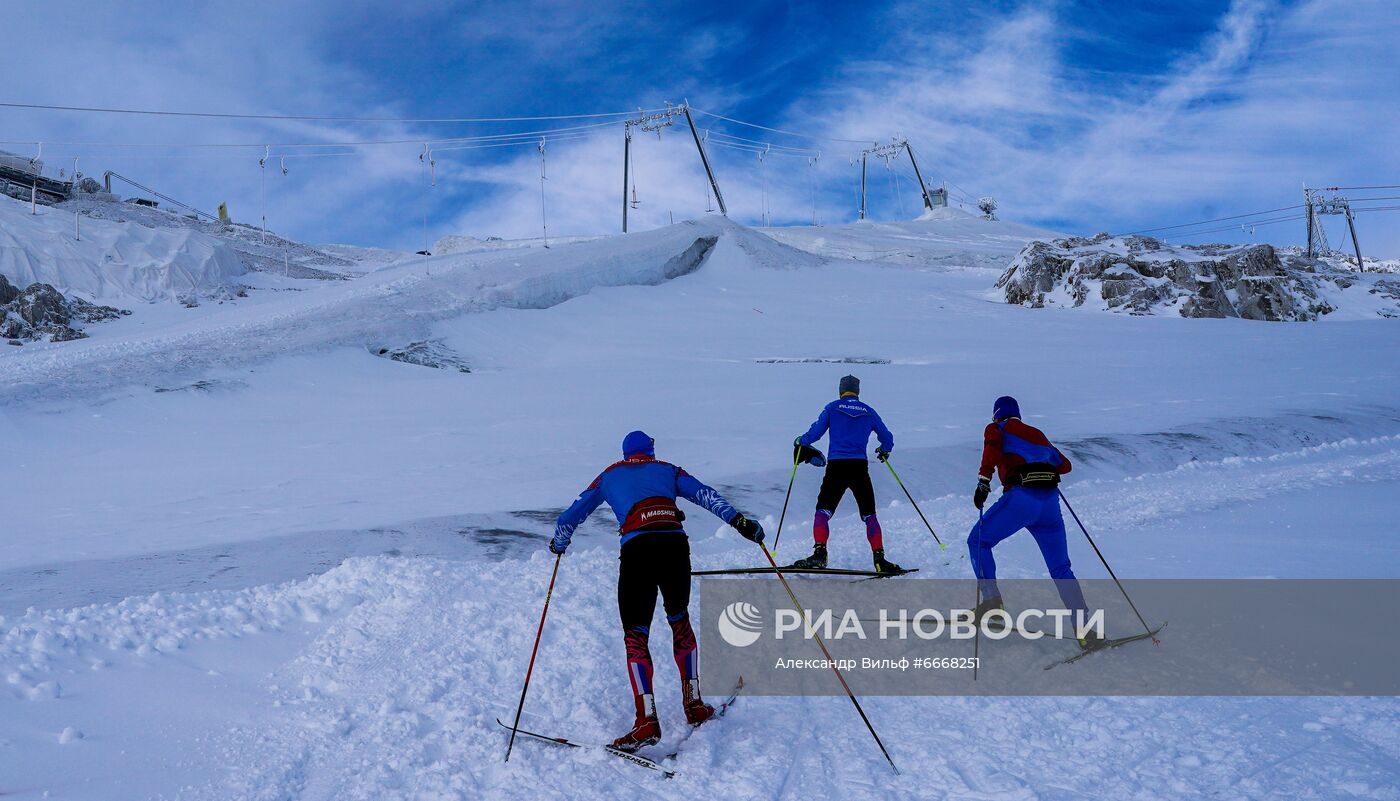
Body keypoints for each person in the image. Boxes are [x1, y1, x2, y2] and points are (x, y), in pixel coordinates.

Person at [550, 430, 765, 751]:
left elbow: (570, 517)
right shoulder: (669, 470)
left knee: (636, 634)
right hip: (675, 547)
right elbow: (707, 495)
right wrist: (740, 522)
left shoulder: (609, 476)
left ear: (626, 455)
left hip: (638, 552)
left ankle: (646, 721)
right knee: (680, 620)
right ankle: (694, 705)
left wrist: (559, 544)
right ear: (650, 452)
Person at [967, 396, 1100, 650]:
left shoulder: (997, 428)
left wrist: (984, 481)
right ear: (1018, 414)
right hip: (1050, 506)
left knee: (978, 541)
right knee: (1062, 568)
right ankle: (1085, 630)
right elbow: (1065, 465)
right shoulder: (1036, 433)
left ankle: (992, 604)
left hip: (1021, 500)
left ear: (997, 415)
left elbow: (992, 447)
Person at [789, 375, 903, 574]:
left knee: (823, 511)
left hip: (837, 467)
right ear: (857, 391)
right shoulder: (868, 411)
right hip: (859, 467)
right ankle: (879, 559)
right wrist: (885, 450)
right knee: (870, 515)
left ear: (840, 390)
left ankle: (819, 554)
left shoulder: (832, 408)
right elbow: (887, 437)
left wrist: (801, 440)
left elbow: (815, 433)